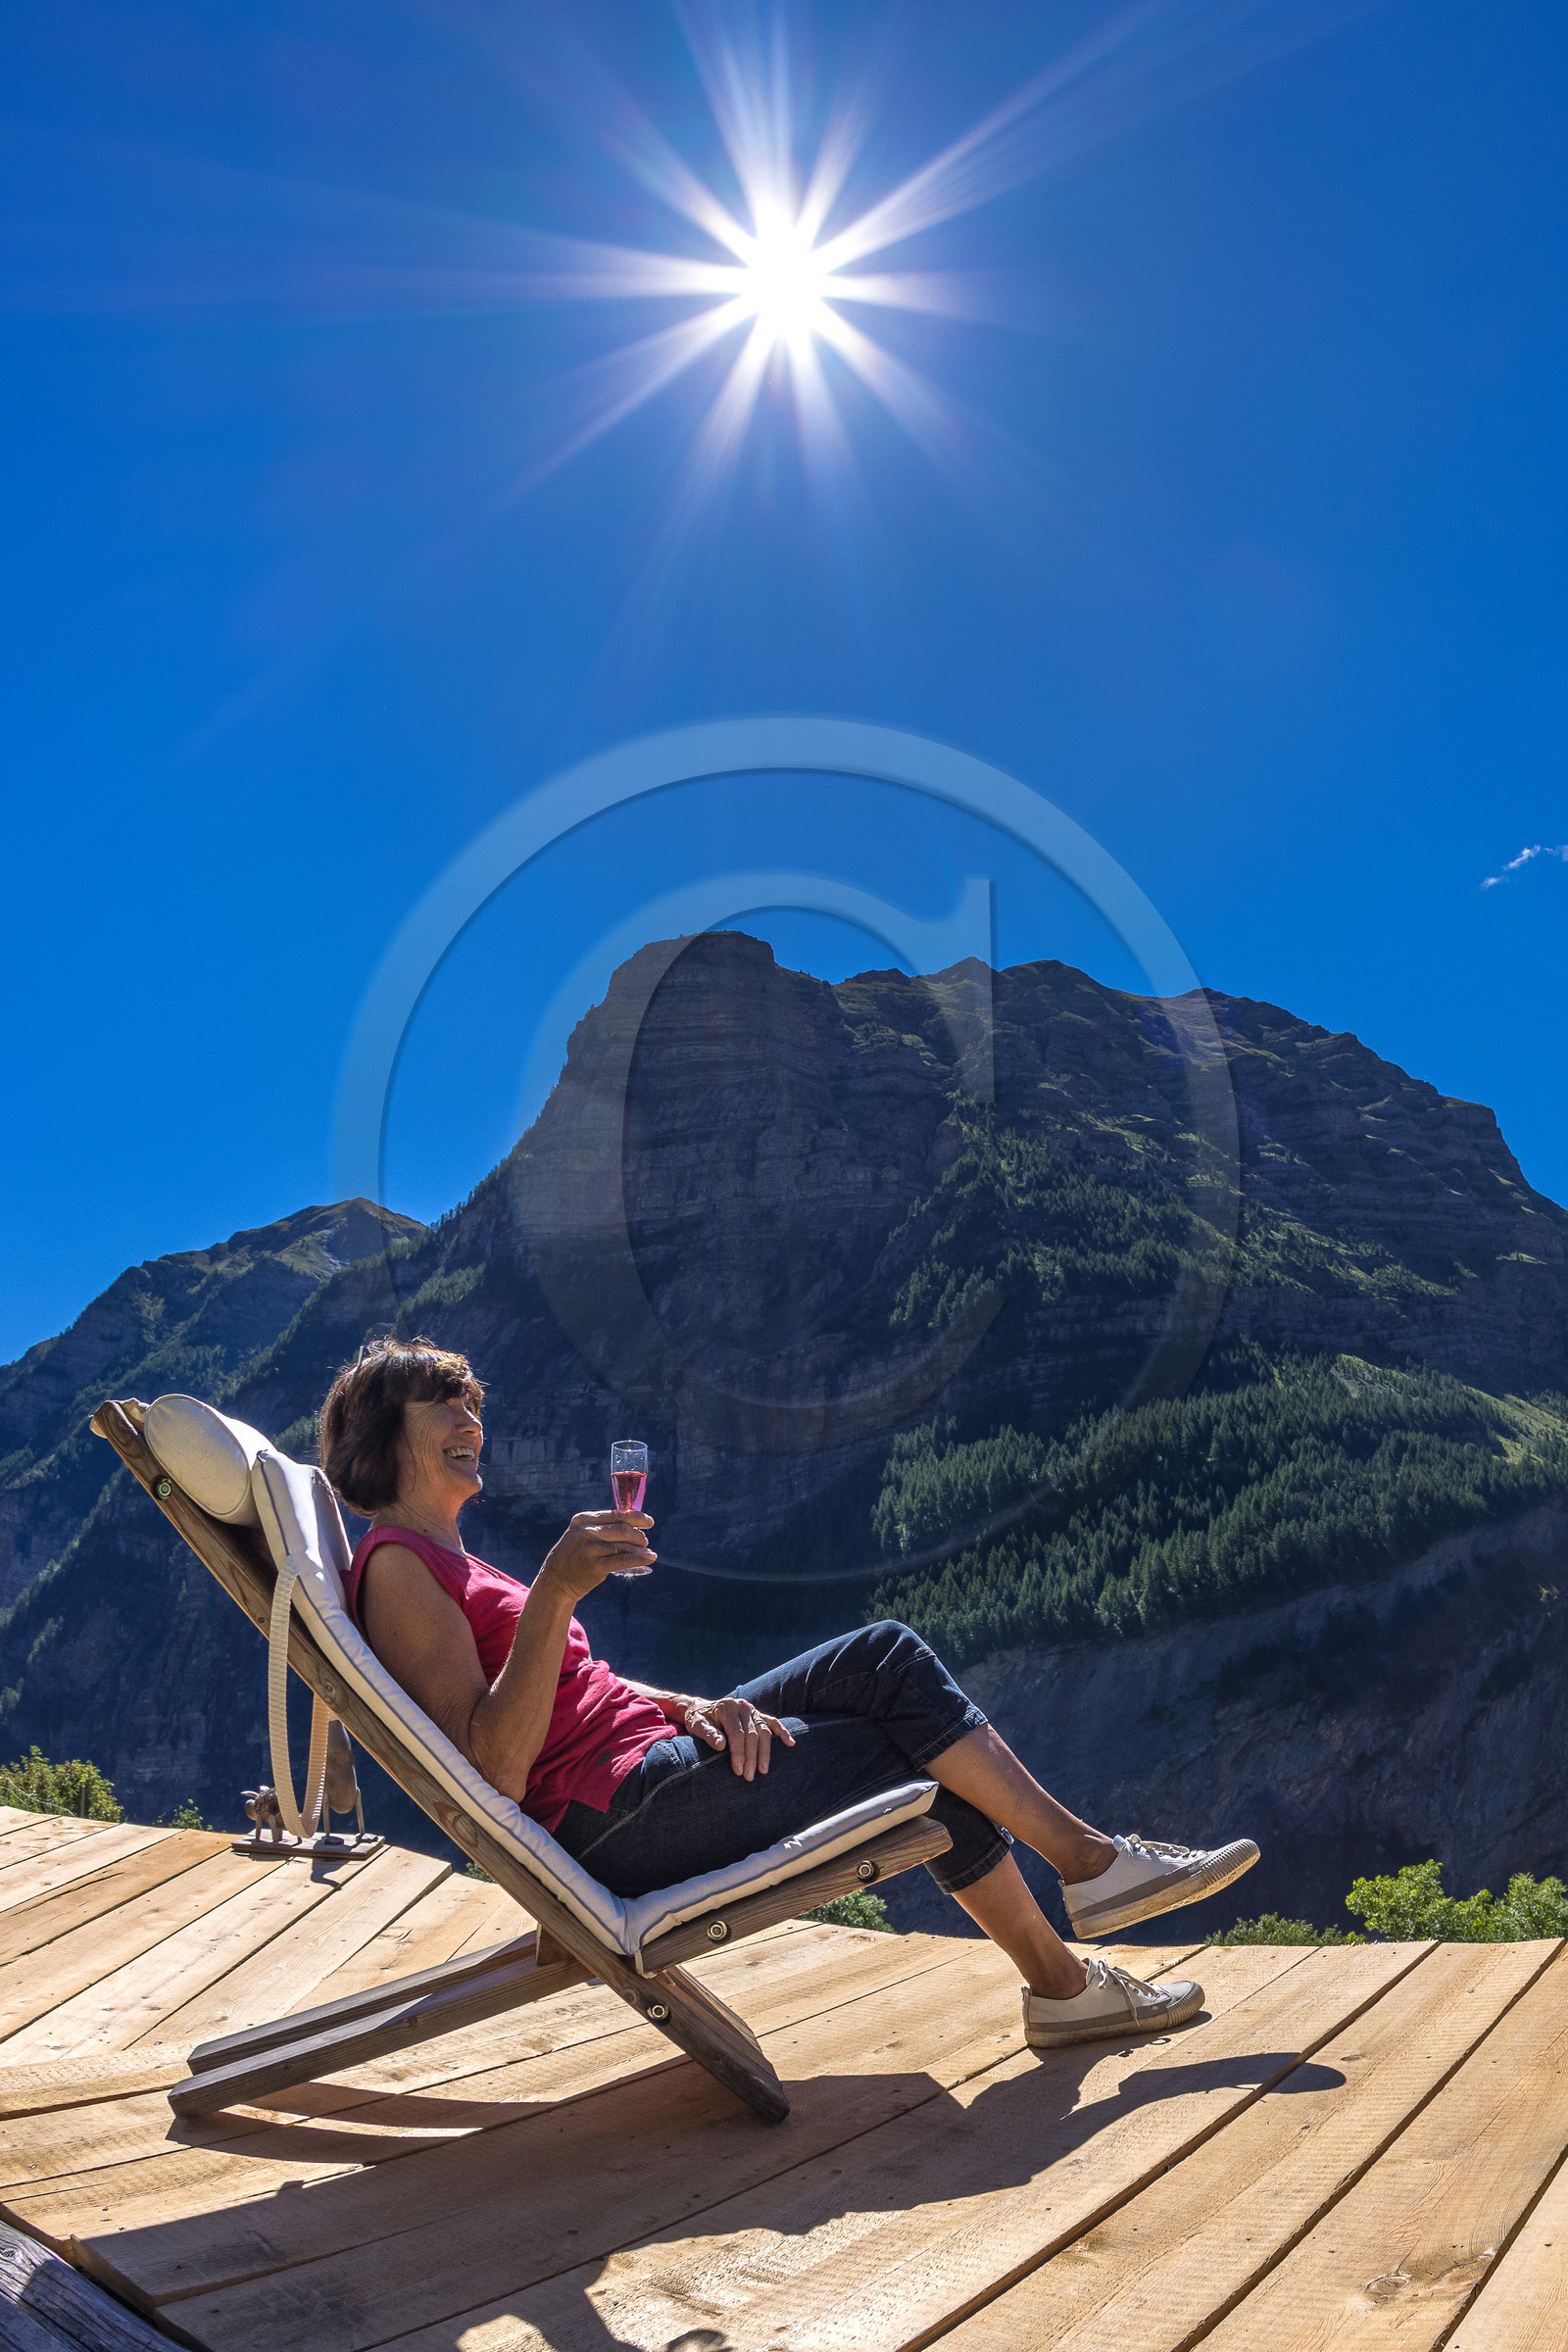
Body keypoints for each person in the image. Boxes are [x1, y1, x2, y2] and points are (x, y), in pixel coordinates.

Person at [320, 1337, 1259, 2050]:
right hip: (616, 1818)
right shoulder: (399, 1568)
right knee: (912, 1742)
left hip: (649, 1763)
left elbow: (580, 1685)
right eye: (442, 1403)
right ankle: (1083, 1907)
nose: (471, 1420)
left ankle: (1076, 1941)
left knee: (886, 1662)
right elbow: (491, 1767)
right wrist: (556, 1594)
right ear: (381, 1436)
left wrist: (691, 1705)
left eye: (472, 1402)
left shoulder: (449, 1558)